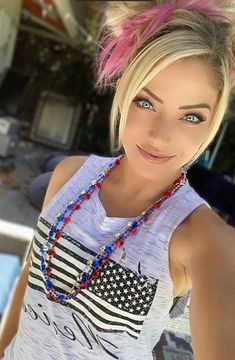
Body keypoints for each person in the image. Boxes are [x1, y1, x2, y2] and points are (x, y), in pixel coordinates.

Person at [1, 1, 235, 359]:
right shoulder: (69, 175)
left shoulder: (202, 238)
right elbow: (33, 277)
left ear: (213, 121)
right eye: (146, 102)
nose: (160, 135)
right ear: (124, 90)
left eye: (190, 117)